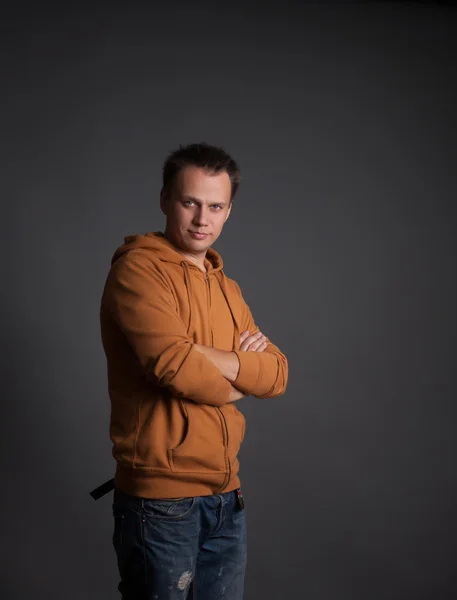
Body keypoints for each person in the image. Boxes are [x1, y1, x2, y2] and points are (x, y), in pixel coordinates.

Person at [98, 142, 288, 599]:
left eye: (216, 206)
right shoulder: (138, 272)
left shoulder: (228, 288)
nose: (203, 219)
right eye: (190, 202)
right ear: (165, 200)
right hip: (160, 503)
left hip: (227, 498)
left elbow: (277, 373)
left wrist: (208, 357)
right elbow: (175, 367)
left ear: (228, 212)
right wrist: (241, 377)